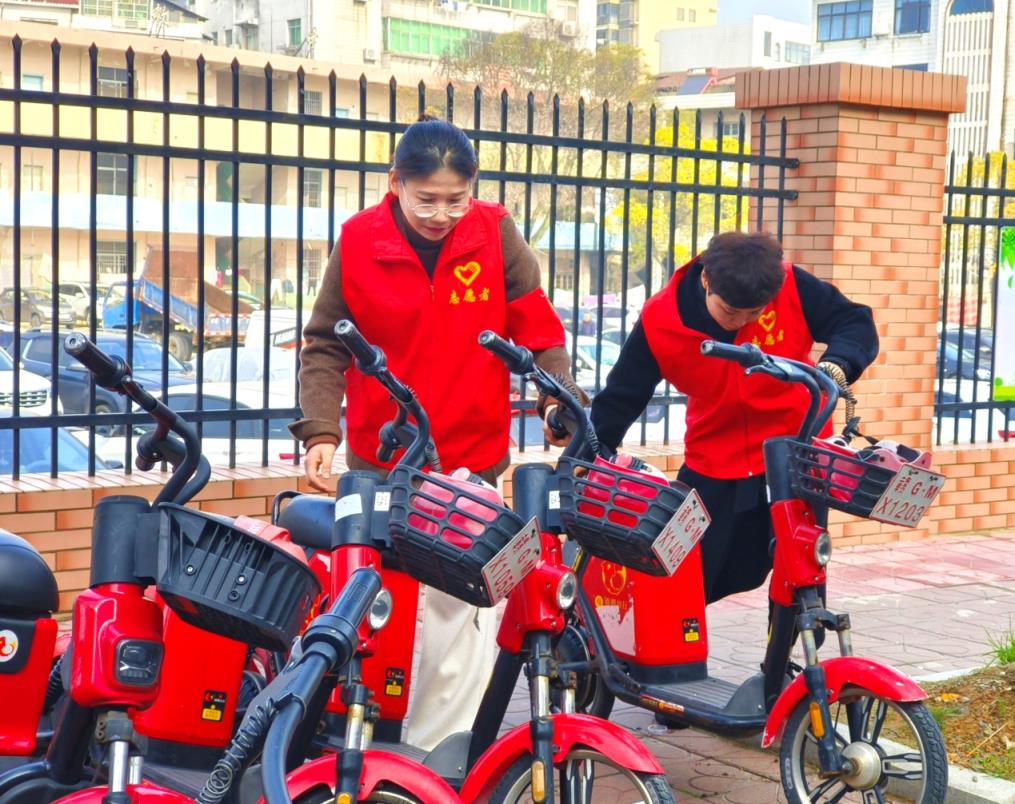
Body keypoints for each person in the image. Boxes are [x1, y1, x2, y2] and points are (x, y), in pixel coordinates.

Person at [289, 115, 581, 750]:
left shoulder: (495, 232)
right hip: (382, 454)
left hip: (469, 457)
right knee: (380, 600)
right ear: (395, 183)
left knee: (460, 607)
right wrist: (319, 431)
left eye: (457, 198)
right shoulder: (359, 240)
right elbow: (323, 344)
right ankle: (363, 734)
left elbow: (536, 326)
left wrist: (558, 397)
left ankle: (437, 750)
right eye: (427, 199)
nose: (443, 213)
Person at [589, 230, 879, 605]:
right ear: (706, 280)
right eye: (729, 312)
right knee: (689, 574)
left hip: (795, 449)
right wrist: (592, 449)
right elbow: (625, 393)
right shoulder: (662, 318)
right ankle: (680, 661)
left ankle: (794, 653)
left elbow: (855, 321)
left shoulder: (791, 285)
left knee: (800, 568)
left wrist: (838, 364)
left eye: (754, 313)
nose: (739, 322)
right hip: (714, 456)